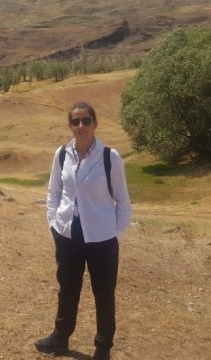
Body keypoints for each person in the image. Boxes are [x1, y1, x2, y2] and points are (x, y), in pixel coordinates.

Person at [35, 101, 132, 360]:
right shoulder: (62, 154)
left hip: (102, 238)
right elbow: (54, 193)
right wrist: (54, 224)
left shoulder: (109, 157)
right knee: (67, 288)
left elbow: (123, 203)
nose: (81, 125)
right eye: (75, 121)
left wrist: (113, 234)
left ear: (95, 123)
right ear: (70, 125)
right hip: (68, 235)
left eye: (86, 120)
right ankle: (60, 338)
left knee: (104, 294)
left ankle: (103, 347)